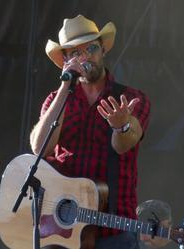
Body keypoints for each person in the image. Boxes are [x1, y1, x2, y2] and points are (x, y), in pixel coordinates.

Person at [30, 15, 151, 249]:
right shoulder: (57, 100)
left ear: (103, 50)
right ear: (65, 59)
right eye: (75, 52)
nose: (84, 57)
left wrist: (121, 125)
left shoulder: (131, 98)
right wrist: (66, 86)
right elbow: (39, 148)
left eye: (91, 48)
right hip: (62, 228)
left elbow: (124, 144)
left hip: (113, 230)